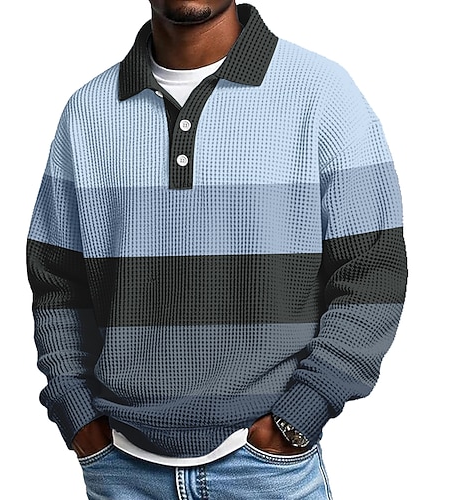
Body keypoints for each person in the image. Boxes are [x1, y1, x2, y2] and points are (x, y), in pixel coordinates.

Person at [26, 1, 407, 498]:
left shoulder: (322, 92)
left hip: (265, 469)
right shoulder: (87, 111)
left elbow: (373, 270)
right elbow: (57, 282)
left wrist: (302, 412)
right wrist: (77, 413)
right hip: (120, 469)